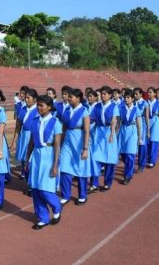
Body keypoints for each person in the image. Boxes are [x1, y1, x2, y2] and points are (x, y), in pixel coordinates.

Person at [26, 95, 63, 230]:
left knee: (45, 188)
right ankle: (43, 217)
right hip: (36, 155)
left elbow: (57, 145)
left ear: (49, 107)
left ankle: (57, 206)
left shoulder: (55, 122)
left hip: (49, 155)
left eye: (42, 105)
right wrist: (27, 158)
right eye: (38, 105)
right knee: (35, 188)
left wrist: (55, 165)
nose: (39, 108)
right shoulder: (34, 121)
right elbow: (31, 142)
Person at [59, 88, 96, 205]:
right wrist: (60, 143)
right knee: (64, 168)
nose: (68, 99)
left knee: (81, 169)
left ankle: (82, 195)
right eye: (68, 97)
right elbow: (64, 128)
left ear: (78, 98)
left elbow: (86, 131)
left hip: (80, 143)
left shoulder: (84, 112)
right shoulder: (67, 111)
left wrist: (85, 149)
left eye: (71, 97)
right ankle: (66, 195)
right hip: (68, 142)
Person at [90, 86, 119, 192]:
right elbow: (91, 118)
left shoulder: (114, 106)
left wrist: (112, 133)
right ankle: (94, 183)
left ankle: (107, 183)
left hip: (108, 133)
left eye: (105, 94)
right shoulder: (97, 106)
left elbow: (114, 120)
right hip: (98, 132)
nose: (102, 96)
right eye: (101, 94)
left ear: (110, 95)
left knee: (109, 159)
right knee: (95, 157)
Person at [10, 88, 38, 181]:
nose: (26, 99)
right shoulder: (23, 109)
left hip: (33, 137)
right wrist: (14, 141)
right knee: (23, 160)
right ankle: (28, 181)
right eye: (25, 97)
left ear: (34, 99)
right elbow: (18, 126)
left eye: (28, 98)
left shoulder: (38, 110)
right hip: (23, 137)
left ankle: (31, 183)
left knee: (31, 160)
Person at [118, 89, 142, 184]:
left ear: (132, 99)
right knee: (123, 154)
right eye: (125, 97)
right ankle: (129, 169)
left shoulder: (136, 109)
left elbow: (139, 124)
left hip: (132, 131)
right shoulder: (121, 109)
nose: (126, 99)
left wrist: (140, 137)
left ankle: (127, 176)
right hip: (123, 131)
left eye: (128, 97)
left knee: (130, 154)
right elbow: (118, 122)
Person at [146, 87, 159, 168]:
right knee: (148, 142)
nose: (149, 94)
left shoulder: (158, 103)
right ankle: (149, 157)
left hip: (156, 121)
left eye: (150, 92)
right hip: (147, 122)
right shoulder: (146, 102)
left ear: (154, 94)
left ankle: (152, 161)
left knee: (154, 141)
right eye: (148, 92)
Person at [133, 88, 150, 173]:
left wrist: (148, 130)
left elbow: (147, 117)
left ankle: (141, 165)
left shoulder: (145, 103)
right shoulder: (132, 102)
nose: (135, 95)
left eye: (136, 94)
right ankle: (130, 165)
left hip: (142, 124)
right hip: (132, 125)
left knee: (142, 145)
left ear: (140, 94)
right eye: (134, 94)